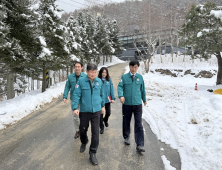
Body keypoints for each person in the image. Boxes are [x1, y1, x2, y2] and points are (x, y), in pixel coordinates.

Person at [72, 64, 105, 165]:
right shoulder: (81, 81)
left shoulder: (99, 81)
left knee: (95, 133)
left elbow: (102, 94)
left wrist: (102, 106)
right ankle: (84, 141)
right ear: (87, 72)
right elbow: (76, 94)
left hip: (96, 111)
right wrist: (75, 107)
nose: (93, 74)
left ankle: (92, 153)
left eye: (95, 72)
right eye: (91, 72)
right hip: (85, 111)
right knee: (82, 130)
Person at [117, 60, 147, 152]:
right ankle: (126, 137)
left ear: (138, 68)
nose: (134, 69)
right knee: (126, 121)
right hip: (127, 104)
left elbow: (143, 90)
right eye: (133, 67)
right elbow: (120, 87)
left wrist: (144, 100)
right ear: (129, 66)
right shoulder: (124, 77)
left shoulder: (140, 77)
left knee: (138, 123)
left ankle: (140, 144)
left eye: (136, 67)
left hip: (138, 104)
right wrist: (121, 96)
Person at [63, 62, 86, 139]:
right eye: (76, 67)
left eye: (78, 67)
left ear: (82, 67)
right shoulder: (70, 77)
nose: (77, 68)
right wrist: (65, 96)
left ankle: (83, 129)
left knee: (82, 116)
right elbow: (67, 87)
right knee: (75, 116)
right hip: (73, 99)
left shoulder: (85, 77)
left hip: (83, 99)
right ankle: (78, 130)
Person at [98, 67, 116, 134]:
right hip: (100, 100)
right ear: (100, 73)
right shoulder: (98, 80)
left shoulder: (109, 80)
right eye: (103, 72)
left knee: (108, 113)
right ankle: (101, 127)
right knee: (100, 114)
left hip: (107, 99)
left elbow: (112, 89)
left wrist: (113, 98)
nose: (104, 74)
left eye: (105, 72)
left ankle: (105, 120)